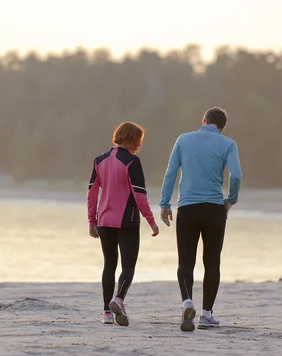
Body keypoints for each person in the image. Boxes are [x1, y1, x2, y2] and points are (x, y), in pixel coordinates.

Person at [159, 107, 242, 332]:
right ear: (222, 127)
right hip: (214, 209)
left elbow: (170, 173)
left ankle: (187, 302)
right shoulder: (228, 144)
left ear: (203, 120)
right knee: (212, 261)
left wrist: (165, 203)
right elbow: (236, 175)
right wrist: (230, 200)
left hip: (187, 208)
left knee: (185, 261)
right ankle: (207, 314)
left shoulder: (183, 140)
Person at [87, 121, 159, 326]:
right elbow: (140, 196)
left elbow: (92, 194)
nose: (140, 146)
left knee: (109, 265)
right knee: (128, 266)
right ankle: (118, 299)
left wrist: (92, 220)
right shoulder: (132, 162)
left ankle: (106, 314)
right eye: (139, 141)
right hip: (127, 221)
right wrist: (151, 221)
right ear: (132, 139)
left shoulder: (99, 160)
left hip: (104, 221)